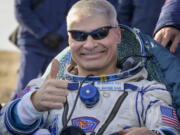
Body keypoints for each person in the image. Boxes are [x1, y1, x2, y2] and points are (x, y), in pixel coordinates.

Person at [0, 0, 180, 134]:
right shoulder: (46, 89)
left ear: (117, 35)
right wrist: (31, 105)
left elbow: (169, 129)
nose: (89, 44)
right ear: (69, 39)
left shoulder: (147, 92)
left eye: (100, 34)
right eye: (79, 36)